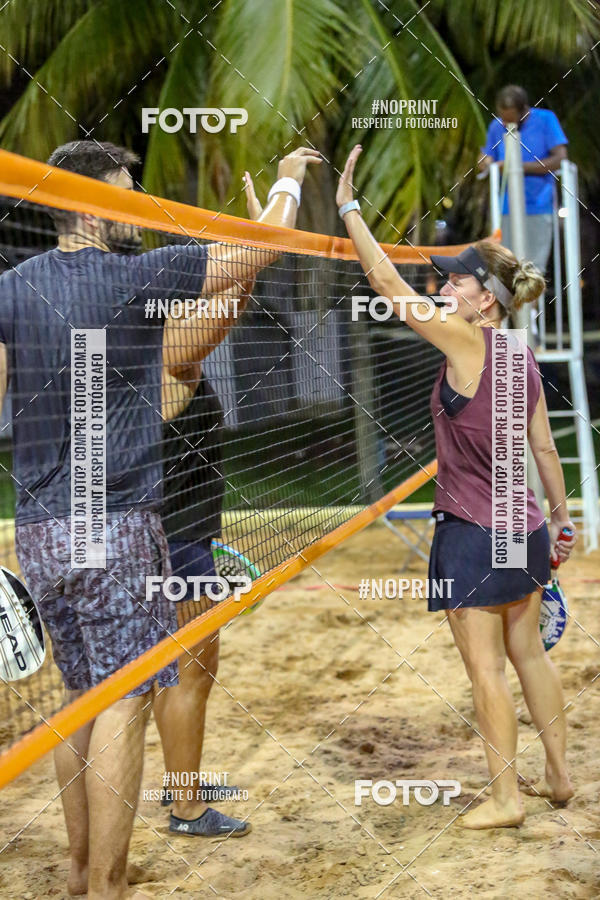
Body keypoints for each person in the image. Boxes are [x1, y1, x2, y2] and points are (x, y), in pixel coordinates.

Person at [0, 140, 320, 899]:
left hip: (42, 530)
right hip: (115, 526)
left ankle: (80, 874)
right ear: (85, 206)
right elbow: (260, 251)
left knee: (80, 699)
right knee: (124, 698)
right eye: (124, 197)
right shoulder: (132, 277)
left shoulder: (10, 289)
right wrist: (285, 186)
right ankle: (107, 885)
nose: (135, 210)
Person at [336, 144, 576, 829]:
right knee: (527, 653)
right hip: (525, 528)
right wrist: (562, 522)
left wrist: (351, 209)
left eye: (456, 281)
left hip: (473, 537)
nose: (445, 287)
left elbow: (388, 285)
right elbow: (546, 448)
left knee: (487, 672)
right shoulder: (520, 355)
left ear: (485, 298)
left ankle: (505, 801)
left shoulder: (466, 341)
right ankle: (558, 777)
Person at [154, 173, 264, 839]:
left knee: (174, 674)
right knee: (191, 674)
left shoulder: (142, 335)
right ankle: (188, 808)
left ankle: (180, 780)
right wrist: (256, 239)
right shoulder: (169, 351)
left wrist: (248, 250)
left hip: (171, 535)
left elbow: (229, 297)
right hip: (176, 543)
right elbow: (223, 308)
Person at [479, 85, 568, 332]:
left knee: (533, 269)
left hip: (538, 206)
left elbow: (560, 157)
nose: (507, 124)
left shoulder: (545, 120)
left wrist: (518, 167)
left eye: (512, 119)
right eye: (503, 117)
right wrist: (485, 162)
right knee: (507, 271)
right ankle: (512, 329)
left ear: (523, 111)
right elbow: (486, 159)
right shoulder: (496, 127)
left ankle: (531, 329)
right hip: (506, 209)